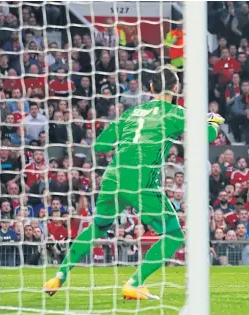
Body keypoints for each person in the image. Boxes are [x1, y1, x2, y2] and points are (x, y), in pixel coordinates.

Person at [43, 67, 225, 300]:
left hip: (112, 177)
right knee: (174, 235)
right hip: (140, 181)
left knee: (98, 227)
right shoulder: (176, 113)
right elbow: (206, 138)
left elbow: (99, 146)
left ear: (150, 88)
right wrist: (212, 123)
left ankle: (59, 275)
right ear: (176, 88)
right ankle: (134, 283)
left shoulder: (132, 113)